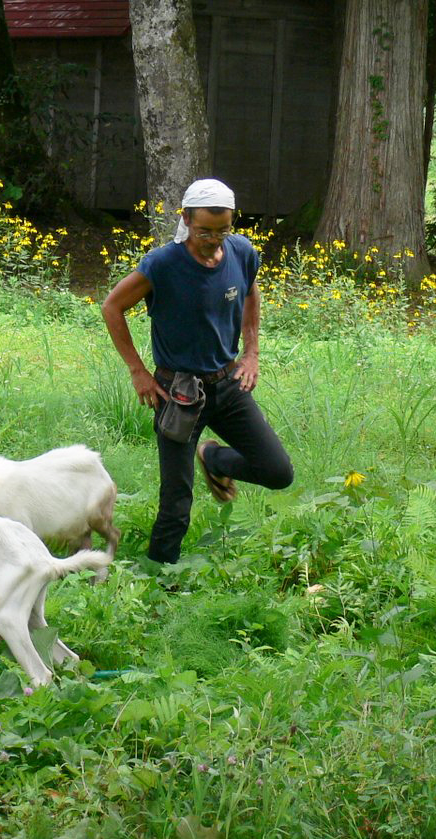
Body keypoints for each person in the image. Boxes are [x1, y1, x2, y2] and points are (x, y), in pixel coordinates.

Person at [101, 178, 294, 564]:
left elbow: (251, 292)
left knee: (277, 471)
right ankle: (157, 580)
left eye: (223, 230)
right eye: (205, 230)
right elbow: (111, 307)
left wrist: (252, 351)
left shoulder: (241, 252)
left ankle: (216, 459)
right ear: (186, 219)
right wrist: (138, 371)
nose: (214, 239)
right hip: (178, 393)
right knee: (176, 503)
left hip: (228, 385)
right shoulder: (163, 264)